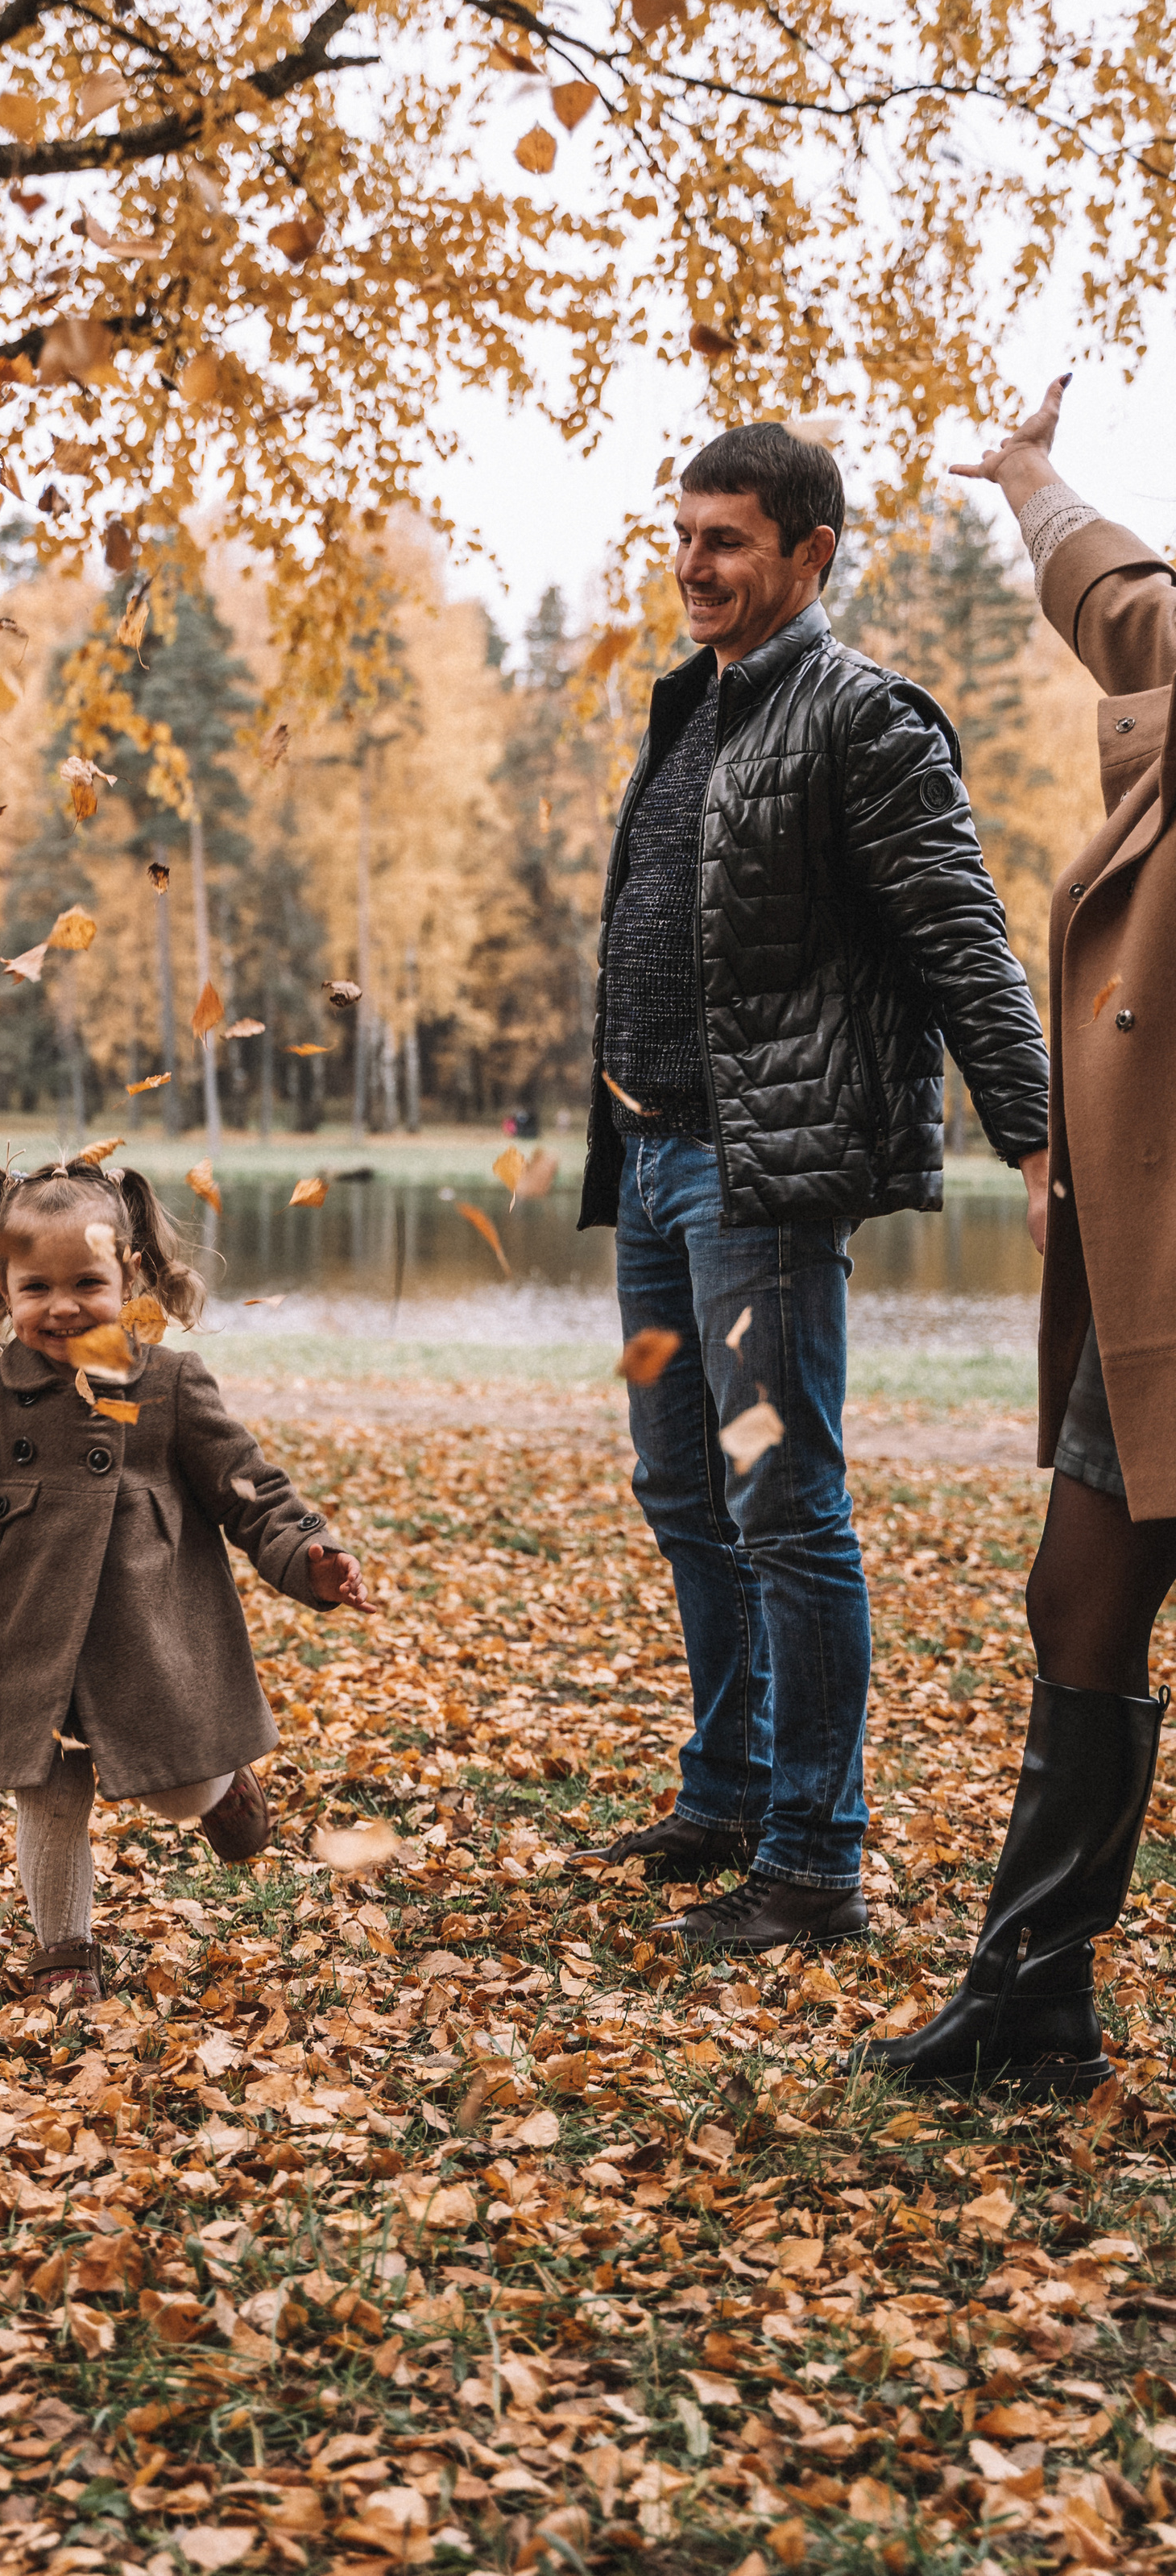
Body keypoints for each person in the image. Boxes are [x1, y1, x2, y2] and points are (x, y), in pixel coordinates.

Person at [572, 423, 1052, 1954]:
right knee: (681, 1484)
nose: (695, 564)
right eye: (686, 532)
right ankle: (725, 1794)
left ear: (810, 555)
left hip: (760, 1184)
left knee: (784, 1501)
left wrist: (1036, 1138)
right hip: (652, 1171)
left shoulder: (864, 719)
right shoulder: (694, 708)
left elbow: (962, 938)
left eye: (728, 539)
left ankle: (813, 1859)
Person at [855, 375, 1173, 2092]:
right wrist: (1031, 480)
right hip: (1153, 1282)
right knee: (1075, 1597)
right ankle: (1034, 1994)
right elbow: (1120, 600)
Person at [0, 1158, 371, 2007]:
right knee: (48, 1802)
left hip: (147, 1638)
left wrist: (309, 1552)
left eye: (86, 1282)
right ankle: (65, 1951)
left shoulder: (167, 1385)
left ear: (128, 1275)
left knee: (173, 1792)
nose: (61, 1306)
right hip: (34, 1645)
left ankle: (219, 1785)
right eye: (36, 1286)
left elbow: (251, 1487)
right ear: (1, 1283)